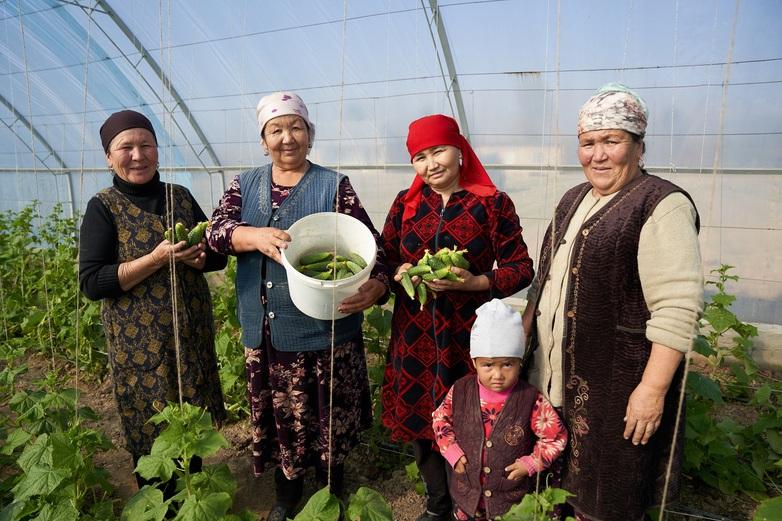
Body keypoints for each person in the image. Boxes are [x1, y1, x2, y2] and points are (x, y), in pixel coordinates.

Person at [522, 84, 704, 520]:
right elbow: (543, 281)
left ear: (640, 147)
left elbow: (677, 307)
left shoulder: (660, 204)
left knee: (608, 494)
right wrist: (522, 338)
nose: (598, 155)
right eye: (588, 143)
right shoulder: (572, 199)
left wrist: (652, 389)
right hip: (554, 377)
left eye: (612, 141)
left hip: (617, 386)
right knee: (554, 485)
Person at [206, 91, 389, 521]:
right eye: (276, 130)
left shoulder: (333, 185)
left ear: (310, 134)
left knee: (328, 413)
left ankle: (331, 493)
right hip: (267, 331)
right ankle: (286, 497)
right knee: (280, 414)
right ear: (263, 139)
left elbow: (373, 246)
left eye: (296, 127)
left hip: (326, 326)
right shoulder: (244, 184)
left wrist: (378, 285)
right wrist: (252, 237)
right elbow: (215, 232)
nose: (287, 138)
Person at [380, 114, 534, 521]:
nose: (431, 164)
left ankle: (471, 504)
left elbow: (521, 268)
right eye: (419, 157)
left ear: (460, 150)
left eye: (438, 151)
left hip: (467, 338)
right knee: (420, 422)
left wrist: (476, 282)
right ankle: (437, 505)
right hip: (413, 336)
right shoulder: (405, 204)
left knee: (466, 424)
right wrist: (398, 271)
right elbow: (385, 255)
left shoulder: (492, 204)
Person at [79, 110, 227, 494]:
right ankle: (157, 502)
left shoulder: (179, 196)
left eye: (146, 144)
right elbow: (93, 281)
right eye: (125, 147)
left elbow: (215, 254)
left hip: (188, 330)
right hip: (138, 343)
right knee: (150, 426)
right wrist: (154, 260)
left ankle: (191, 496)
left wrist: (201, 258)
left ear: (157, 150)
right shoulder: (103, 207)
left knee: (190, 416)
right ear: (108, 157)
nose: (137, 154)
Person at [432, 299, 567, 520]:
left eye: (507, 364)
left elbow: (555, 437)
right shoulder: (460, 391)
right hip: (467, 494)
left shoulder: (530, 399)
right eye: (488, 365)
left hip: (511, 500)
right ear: (474, 361)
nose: (497, 375)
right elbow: (440, 420)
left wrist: (531, 463)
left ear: (519, 362)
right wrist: (451, 451)